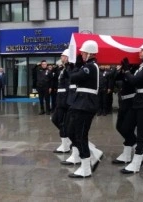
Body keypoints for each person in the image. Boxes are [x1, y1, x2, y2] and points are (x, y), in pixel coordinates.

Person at [119, 41, 143, 174]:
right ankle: (142, 151)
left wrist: (126, 71)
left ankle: (136, 162)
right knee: (125, 127)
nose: (139, 52)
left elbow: (135, 81)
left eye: (142, 50)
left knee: (142, 133)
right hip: (138, 101)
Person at [66, 40, 102, 178]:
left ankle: (86, 167)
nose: (81, 54)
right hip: (81, 103)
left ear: (90, 53)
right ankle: (92, 153)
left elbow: (74, 78)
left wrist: (73, 67)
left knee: (80, 135)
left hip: (85, 105)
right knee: (72, 132)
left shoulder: (91, 67)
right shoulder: (87, 66)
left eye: (83, 52)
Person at [112, 59, 137, 164]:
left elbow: (133, 81)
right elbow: (115, 78)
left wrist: (127, 70)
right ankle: (137, 146)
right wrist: (121, 69)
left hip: (132, 101)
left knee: (127, 128)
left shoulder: (136, 69)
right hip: (123, 101)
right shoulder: (124, 69)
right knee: (119, 126)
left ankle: (127, 155)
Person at [52, 49, 72, 153]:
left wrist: (66, 100)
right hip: (60, 99)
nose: (61, 57)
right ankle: (67, 140)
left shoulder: (69, 69)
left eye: (63, 56)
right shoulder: (63, 68)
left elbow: (69, 86)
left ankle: (65, 145)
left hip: (64, 100)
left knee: (62, 122)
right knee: (55, 119)